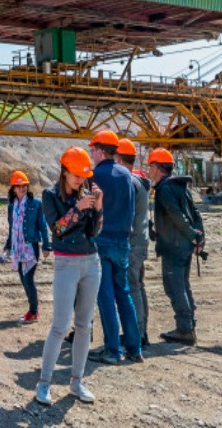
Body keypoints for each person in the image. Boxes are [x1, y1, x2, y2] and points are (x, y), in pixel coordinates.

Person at [36, 147, 103, 407]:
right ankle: (44, 383)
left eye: (82, 176)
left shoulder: (85, 195)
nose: (79, 180)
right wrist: (78, 208)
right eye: (75, 175)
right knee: (61, 326)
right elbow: (58, 229)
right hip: (66, 263)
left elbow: (95, 232)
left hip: (91, 262)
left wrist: (98, 208)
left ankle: (77, 381)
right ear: (64, 171)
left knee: (84, 325)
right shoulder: (50, 195)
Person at [88, 130, 142, 364]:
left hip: (102, 241)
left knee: (106, 297)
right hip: (123, 242)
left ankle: (112, 350)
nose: (91, 154)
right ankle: (134, 347)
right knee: (124, 294)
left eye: (92, 150)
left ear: (101, 150)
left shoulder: (94, 176)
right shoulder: (127, 176)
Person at [146, 147, 204, 345]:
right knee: (182, 284)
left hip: (174, 246)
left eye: (150, 167)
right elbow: (195, 213)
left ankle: (185, 329)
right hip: (183, 245)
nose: (149, 171)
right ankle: (189, 324)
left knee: (174, 286)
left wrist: (192, 236)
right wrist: (198, 237)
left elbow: (175, 215)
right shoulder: (179, 186)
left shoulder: (165, 189)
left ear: (157, 167)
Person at [116, 138, 152, 347]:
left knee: (132, 288)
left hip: (132, 242)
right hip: (141, 240)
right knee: (138, 286)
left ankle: (136, 334)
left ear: (119, 158)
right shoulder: (141, 180)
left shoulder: (129, 181)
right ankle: (141, 331)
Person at [3, 170, 51, 323]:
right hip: (17, 248)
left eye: (24, 185)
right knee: (23, 280)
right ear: (13, 189)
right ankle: (33, 309)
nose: (22, 188)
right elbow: (12, 228)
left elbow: (43, 226)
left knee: (28, 279)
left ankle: (34, 311)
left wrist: (46, 246)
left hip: (31, 247)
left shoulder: (35, 204)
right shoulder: (11, 206)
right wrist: (7, 247)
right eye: (19, 186)